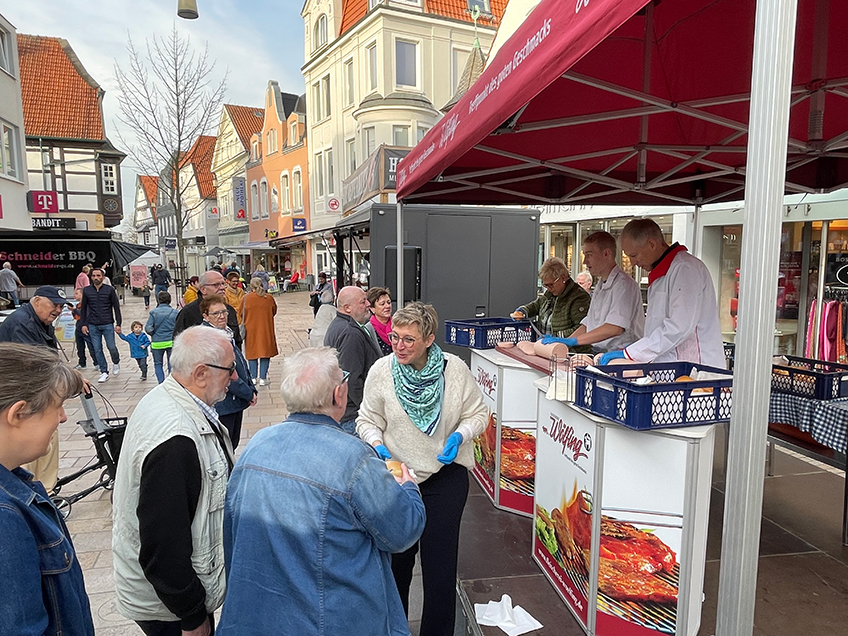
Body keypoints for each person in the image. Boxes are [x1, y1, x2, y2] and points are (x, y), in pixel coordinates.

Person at [217, 347, 425, 635]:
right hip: (331, 620)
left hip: (259, 619)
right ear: (338, 394)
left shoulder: (256, 445)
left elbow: (232, 534)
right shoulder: (355, 458)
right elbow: (402, 531)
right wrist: (408, 486)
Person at [357, 302, 488, 636]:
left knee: (440, 570)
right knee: (398, 564)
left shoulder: (454, 370)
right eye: (396, 337)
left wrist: (461, 435)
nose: (399, 346)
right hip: (399, 478)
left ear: (429, 339)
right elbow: (367, 420)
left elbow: (479, 414)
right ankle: (396, 629)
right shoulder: (382, 371)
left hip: (446, 479)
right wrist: (378, 445)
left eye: (408, 340)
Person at [112, 326, 236, 636]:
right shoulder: (177, 439)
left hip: (168, 600)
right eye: (230, 369)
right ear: (201, 373)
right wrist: (192, 616)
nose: (234, 377)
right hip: (169, 609)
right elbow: (163, 545)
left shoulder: (172, 398)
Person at [0, 342, 94, 636]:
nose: (62, 417)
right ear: (18, 414)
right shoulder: (5, 517)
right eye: (57, 406)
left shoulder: (16, 484)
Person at [599, 218, 724, 367]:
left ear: (652, 244)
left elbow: (678, 327)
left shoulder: (685, 268)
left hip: (694, 369)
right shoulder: (662, 272)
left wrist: (631, 353)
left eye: (634, 255)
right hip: (669, 366)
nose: (633, 263)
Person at [0, 285, 68, 492]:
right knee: (31, 446)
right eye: (53, 305)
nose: (57, 310)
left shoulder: (40, 320)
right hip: (23, 398)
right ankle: (32, 491)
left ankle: (45, 489)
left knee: (49, 438)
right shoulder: (23, 322)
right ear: (36, 301)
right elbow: (35, 365)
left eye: (61, 306)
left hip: (37, 396)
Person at [541, 232, 645, 353]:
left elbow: (615, 328)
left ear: (606, 253)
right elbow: (588, 323)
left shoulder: (624, 285)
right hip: (599, 352)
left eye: (589, 255)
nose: (584, 261)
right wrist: (563, 342)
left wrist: (574, 341)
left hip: (620, 356)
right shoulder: (601, 285)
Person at [200, 294, 256, 449]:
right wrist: (248, 393)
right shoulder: (211, 338)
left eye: (224, 312)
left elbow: (240, 364)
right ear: (206, 316)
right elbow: (226, 374)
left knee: (232, 443)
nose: (222, 316)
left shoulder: (226, 332)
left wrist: (250, 388)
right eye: (216, 313)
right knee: (226, 446)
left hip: (234, 402)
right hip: (223, 402)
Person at [324, 287, 382, 435]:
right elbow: (352, 378)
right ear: (347, 307)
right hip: (353, 416)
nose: (368, 304)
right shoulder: (350, 333)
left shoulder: (337, 325)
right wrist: (368, 410)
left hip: (345, 412)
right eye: (363, 302)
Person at [511, 257, 593, 354]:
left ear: (563, 278)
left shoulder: (579, 298)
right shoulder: (550, 293)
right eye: (545, 285)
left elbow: (582, 328)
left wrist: (557, 336)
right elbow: (537, 305)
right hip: (547, 348)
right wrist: (523, 311)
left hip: (570, 353)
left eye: (550, 285)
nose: (548, 289)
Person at [174, 271, 242, 348]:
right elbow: (178, 345)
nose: (222, 288)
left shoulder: (229, 310)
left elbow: (237, 341)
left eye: (223, 284)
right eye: (216, 285)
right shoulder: (188, 313)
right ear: (203, 289)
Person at [79, 268, 122, 384]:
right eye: (93, 276)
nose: (96, 278)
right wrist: (83, 324)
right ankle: (104, 371)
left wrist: (119, 323)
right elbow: (83, 309)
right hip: (93, 324)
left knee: (111, 346)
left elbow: (116, 307)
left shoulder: (110, 290)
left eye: (98, 275)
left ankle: (116, 361)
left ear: (103, 277)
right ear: (91, 277)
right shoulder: (87, 291)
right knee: (97, 349)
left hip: (107, 323)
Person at [240, 277, 278, 386]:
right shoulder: (269, 298)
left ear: (251, 286)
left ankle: (252, 377)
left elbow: (240, 312)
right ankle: (263, 378)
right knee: (265, 353)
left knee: (252, 353)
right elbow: (274, 311)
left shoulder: (246, 298)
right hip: (266, 328)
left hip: (250, 329)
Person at [145, 291, 179, 384]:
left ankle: (161, 383)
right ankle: (171, 383)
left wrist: (154, 334)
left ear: (158, 300)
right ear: (170, 300)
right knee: (171, 364)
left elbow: (148, 328)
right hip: (171, 342)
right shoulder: (175, 312)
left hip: (157, 342)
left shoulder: (153, 313)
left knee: (158, 364)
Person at [72, 288, 97, 370]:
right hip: (78, 327)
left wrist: (75, 310)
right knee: (80, 347)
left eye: (76, 293)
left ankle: (97, 363)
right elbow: (76, 316)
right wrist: (73, 311)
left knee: (91, 346)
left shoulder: (87, 305)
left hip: (86, 327)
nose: (74, 295)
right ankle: (82, 362)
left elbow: (84, 315)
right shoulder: (78, 305)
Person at [367, 286, 393, 356]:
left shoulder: (397, 325)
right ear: (372, 308)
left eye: (389, 302)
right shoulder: (368, 330)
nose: (387, 306)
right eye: (382, 304)